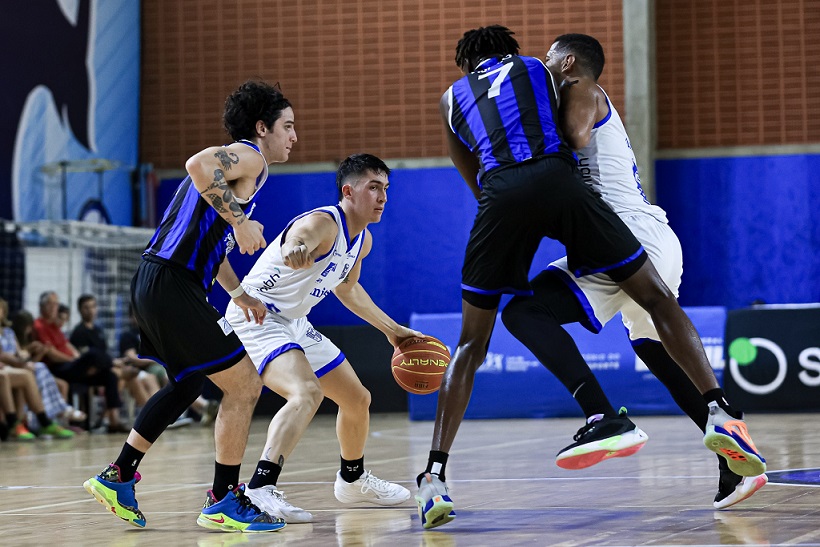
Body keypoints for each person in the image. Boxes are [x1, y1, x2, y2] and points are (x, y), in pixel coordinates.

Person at [414, 25, 766, 530]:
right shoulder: (536, 74)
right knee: (655, 345)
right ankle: (728, 444)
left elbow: (530, 158)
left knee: (511, 319)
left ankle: (598, 418)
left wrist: (519, 209)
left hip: (618, 226)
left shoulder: (567, 86)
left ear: (571, 63)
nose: (551, 65)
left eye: (558, 61)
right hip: (646, 234)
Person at [83, 80, 296, 533]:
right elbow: (198, 164)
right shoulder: (250, 157)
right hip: (171, 284)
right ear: (262, 128)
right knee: (244, 387)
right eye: (287, 126)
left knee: (188, 382)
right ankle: (223, 499)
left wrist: (238, 294)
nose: (294, 137)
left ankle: (119, 475)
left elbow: (211, 243)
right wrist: (240, 222)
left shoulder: (241, 174)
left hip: (156, 283)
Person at [226, 153, 419, 523]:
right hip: (257, 314)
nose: (382, 197)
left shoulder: (362, 240)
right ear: (348, 190)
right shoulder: (323, 222)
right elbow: (296, 239)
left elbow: (349, 290)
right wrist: (294, 249)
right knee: (307, 393)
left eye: (386, 189)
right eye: (373, 187)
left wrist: (394, 332)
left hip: (295, 321)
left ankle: (352, 479)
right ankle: (260, 489)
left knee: (357, 399)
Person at [33, 291, 127, 433]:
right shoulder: (40, 326)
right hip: (59, 368)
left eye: (56, 304)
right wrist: (76, 359)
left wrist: (78, 358)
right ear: (42, 306)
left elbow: (66, 345)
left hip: (74, 367)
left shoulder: (55, 327)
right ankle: (114, 362)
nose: (55, 308)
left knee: (110, 376)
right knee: (93, 354)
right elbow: (51, 354)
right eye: (52, 304)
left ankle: (114, 421)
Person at [71, 294, 161, 420]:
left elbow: (104, 355)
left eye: (93, 306)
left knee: (131, 376)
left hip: (107, 368)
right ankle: (149, 416)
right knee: (124, 374)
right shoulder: (79, 332)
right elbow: (84, 358)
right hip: (91, 372)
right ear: (80, 310)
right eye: (86, 307)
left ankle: (151, 416)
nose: (91, 310)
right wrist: (114, 364)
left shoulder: (99, 331)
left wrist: (116, 362)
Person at [0, 298, 74, 439]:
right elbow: (4, 355)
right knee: (27, 372)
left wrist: (28, 353)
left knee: (33, 372)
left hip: (14, 366)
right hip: (8, 368)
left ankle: (44, 420)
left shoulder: (9, 332)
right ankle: (27, 422)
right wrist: (21, 359)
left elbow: (18, 353)